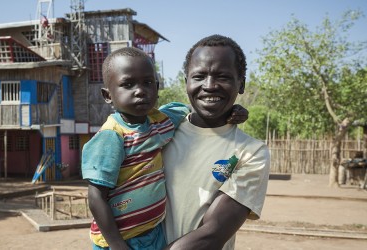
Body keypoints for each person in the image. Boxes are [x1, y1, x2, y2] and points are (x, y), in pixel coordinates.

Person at [81, 46, 249, 250]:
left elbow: (202, 110)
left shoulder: (162, 120)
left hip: (153, 233)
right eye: (127, 84)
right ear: (108, 95)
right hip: (119, 240)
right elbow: (96, 196)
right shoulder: (112, 136)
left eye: (148, 83)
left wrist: (231, 111)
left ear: (157, 88)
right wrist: (117, 245)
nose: (140, 90)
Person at [162, 34, 270, 250]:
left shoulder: (251, 152)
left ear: (241, 84)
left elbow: (211, 235)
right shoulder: (161, 132)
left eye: (223, 77)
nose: (209, 86)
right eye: (199, 76)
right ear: (186, 83)